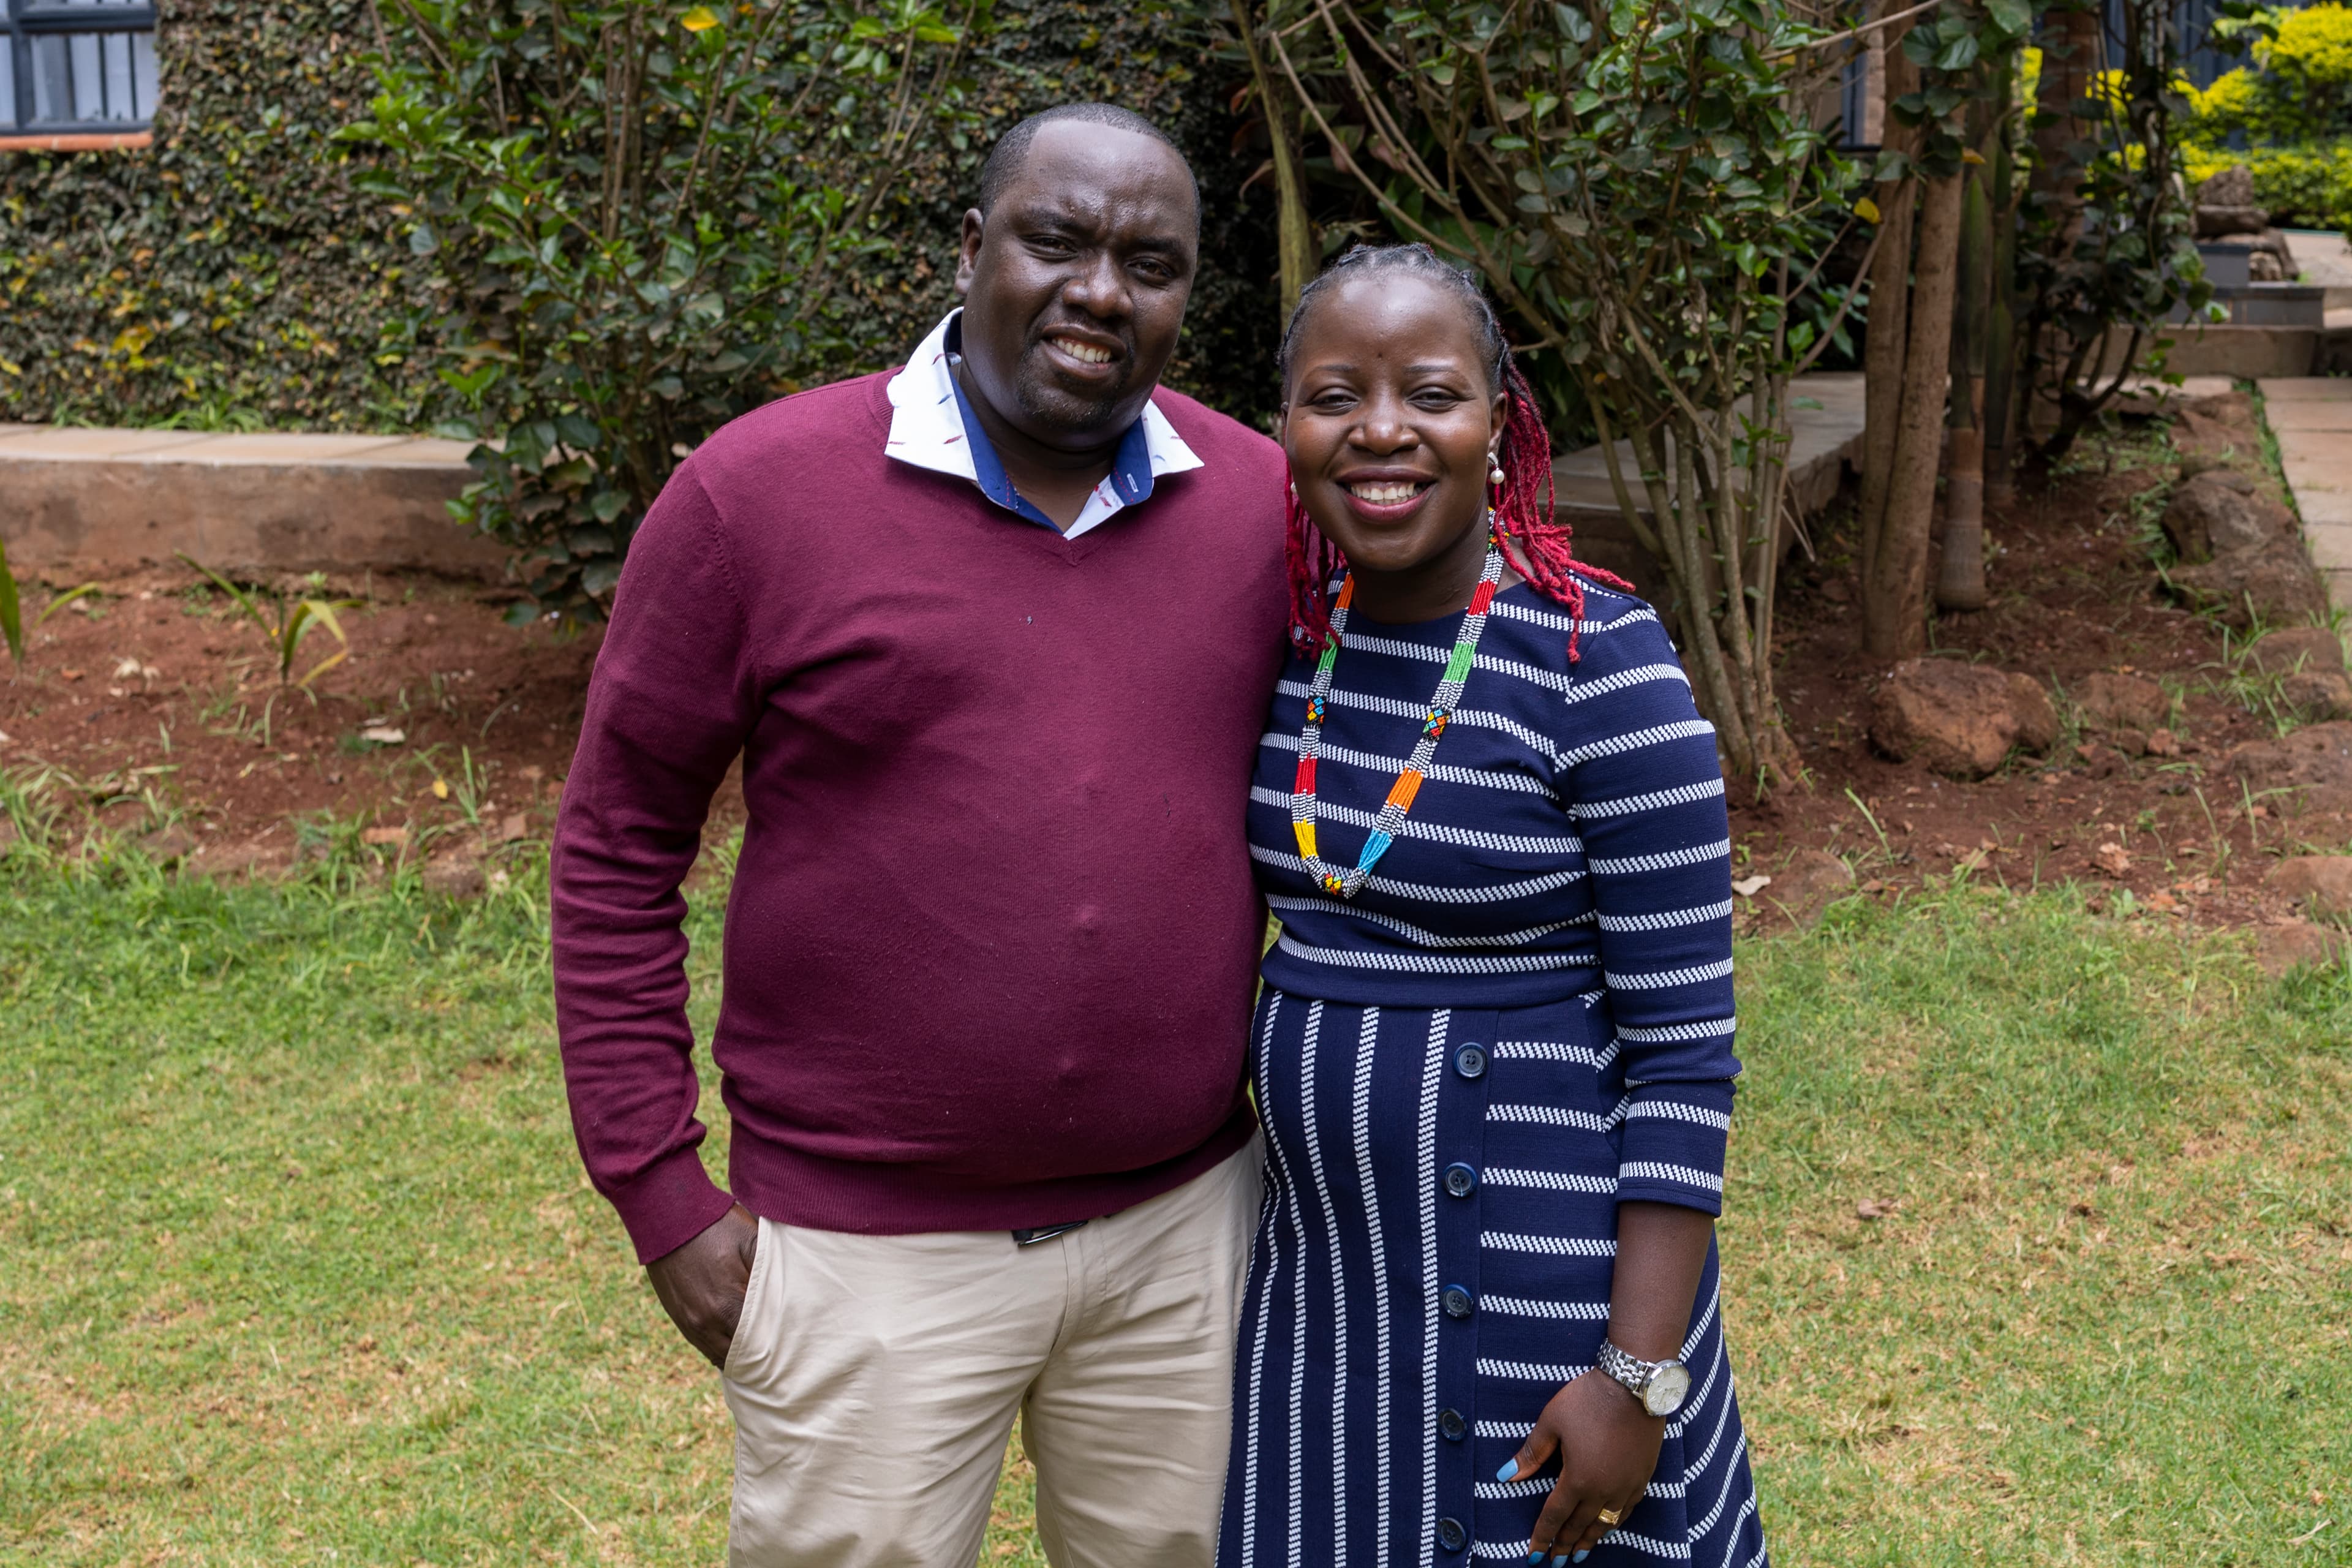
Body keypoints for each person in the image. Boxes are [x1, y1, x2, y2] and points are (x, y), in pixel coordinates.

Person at [549, 103, 1287, 1568]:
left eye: (1150, 261)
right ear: (971, 248)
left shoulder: (1261, 506)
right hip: (862, 1256)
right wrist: (659, 1189)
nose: (1099, 290)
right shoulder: (757, 498)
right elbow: (619, 844)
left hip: (1187, 1239)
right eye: (1057, 239)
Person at [1216, 244, 1767, 1568]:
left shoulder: (1599, 660)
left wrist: (1636, 1374)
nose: (1383, 431)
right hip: (1327, 1300)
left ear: (1501, 425)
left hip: (1543, 1299)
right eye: (1335, 395)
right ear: (1284, 427)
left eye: (1431, 393)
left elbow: (1684, 1054)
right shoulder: (1297, 641)